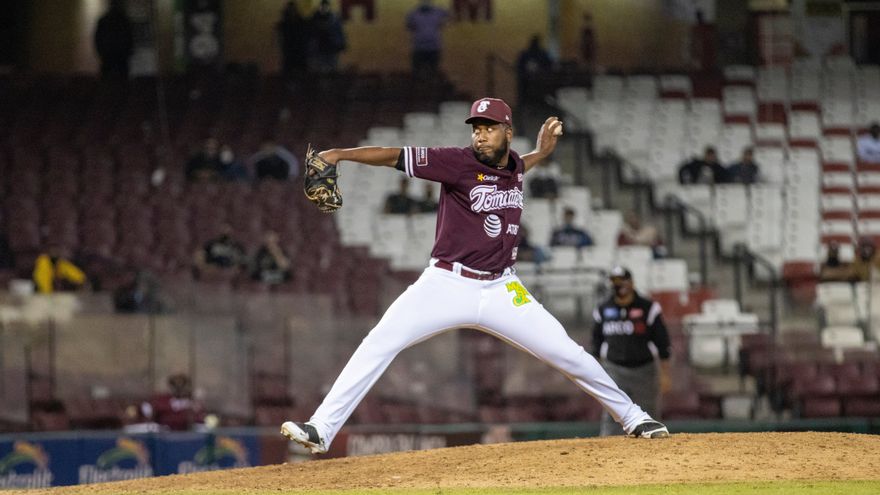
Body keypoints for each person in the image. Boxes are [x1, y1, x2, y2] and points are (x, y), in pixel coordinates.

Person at [281, 97, 669, 455]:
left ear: (507, 132)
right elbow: (392, 156)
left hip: (502, 288)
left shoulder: (515, 165)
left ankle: (634, 417)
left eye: (489, 127)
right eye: (476, 128)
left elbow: (518, 168)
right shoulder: (456, 162)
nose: (480, 135)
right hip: (446, 283)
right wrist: (337, 155)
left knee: (568, 353)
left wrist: (541, 153)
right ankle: (321, 428)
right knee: (379, 342)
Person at [592, 266, 671, 437]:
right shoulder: (603, 309)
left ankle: (653, 446)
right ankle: (609, 447)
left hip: (644, 369)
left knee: (649, 412)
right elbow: (596, 344)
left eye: (623, 281)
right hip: (614, 368)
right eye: (615, 281)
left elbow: (662, 343)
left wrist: (665, 374)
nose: (619, 285)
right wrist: (596, 376)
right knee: (612, 412)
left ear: (632, 283)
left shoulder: (648, 308)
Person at [141, 373, 205, 431]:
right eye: (175, 386)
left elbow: (200, 419)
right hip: (164, 433)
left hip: (187, 432)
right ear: (170, 386)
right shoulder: (161, 400)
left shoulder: (192, 401)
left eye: (182, 386)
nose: (179, 389)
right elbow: (150, 414)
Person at [405, 0, 449, 79]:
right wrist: (441, 24)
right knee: (431, 71)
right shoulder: (438, 11)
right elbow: (450, 15)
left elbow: (409, 26)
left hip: (421, 46)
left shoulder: (413, 13)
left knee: (418, 72)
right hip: (431, 45)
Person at [93, 0, 134, 79]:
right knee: (122, 81)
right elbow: (130, 38)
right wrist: (128, 52)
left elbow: (98, 39)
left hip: (108, 57)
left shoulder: (104, 20)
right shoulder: (125, 21)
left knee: (107, 81)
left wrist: (102, 53)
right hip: (120, 57)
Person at [309, 0, 346, 73]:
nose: (324, 8)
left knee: (330, 66)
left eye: (325, 7)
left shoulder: (333, 19)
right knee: (321, 67)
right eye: (323, 7)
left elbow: (339, 32)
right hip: (320, 46)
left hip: (329, 46)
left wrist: (341, 43)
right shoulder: (315, 19)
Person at [516, 35, 554, 105]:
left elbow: (549, 65)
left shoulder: (541, 54)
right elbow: (519, 67)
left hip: (538, 81)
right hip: (528, 81)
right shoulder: (527, 54)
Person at [276, 1, 309, 78]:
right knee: (292, 73)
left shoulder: (286, 23)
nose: (292, 12)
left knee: (296, 73)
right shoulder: (287, 23)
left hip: (296, 51)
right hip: (292, 51)